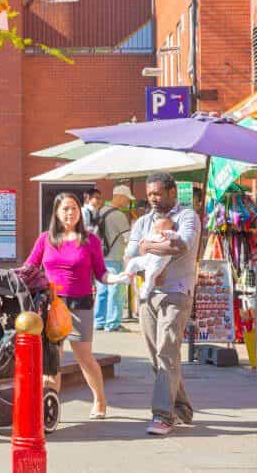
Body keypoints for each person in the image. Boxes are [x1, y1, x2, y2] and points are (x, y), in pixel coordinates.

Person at [23, 192, 122, 419]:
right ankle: (50, 408)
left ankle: (99, 400)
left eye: (74, 208)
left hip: (80, 304)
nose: (70, 213)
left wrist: (115, 278)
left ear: (80, 211)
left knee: (84, 357)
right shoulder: (45, 239)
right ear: (57, 213)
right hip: (51, 304)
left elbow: (101, 273)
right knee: (51, 359)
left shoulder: (90, 240)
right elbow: (29, 267)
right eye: (65, 209)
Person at [123, 172, 200, 437]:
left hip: (177, 292)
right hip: (148, 295)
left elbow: (182, 246)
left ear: (172, 192)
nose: (153, 198)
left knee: (167, 351)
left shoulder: (187, 217)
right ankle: (182, 408)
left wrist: (147, 246)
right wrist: (151, 246)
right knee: (158, 357)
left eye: (157, 193)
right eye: (150, 194)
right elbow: (129, 256)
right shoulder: (143, 221)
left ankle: (162, 415)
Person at [92, 185, 134, 332]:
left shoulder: (100, 211)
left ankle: (99, 321)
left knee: (102, 290)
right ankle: (113, 323)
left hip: (99, 257)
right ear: (120, 197)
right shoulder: (119, 215)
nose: (128, 202)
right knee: (116, 290)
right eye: (127, 199)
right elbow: (128, 238)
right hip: (115, 256)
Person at [112, 216, 175, 299]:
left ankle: (145, 292)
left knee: (150, 275)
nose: (156, 230)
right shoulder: (154, 235)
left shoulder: (169, 236)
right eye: (155, 227)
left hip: (157, 263)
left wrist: (168, 233)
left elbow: (174, 237)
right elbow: (146, 238)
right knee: (133, 262)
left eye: (159, 228)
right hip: (147, 258)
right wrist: (143, 240)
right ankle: (127, 276)